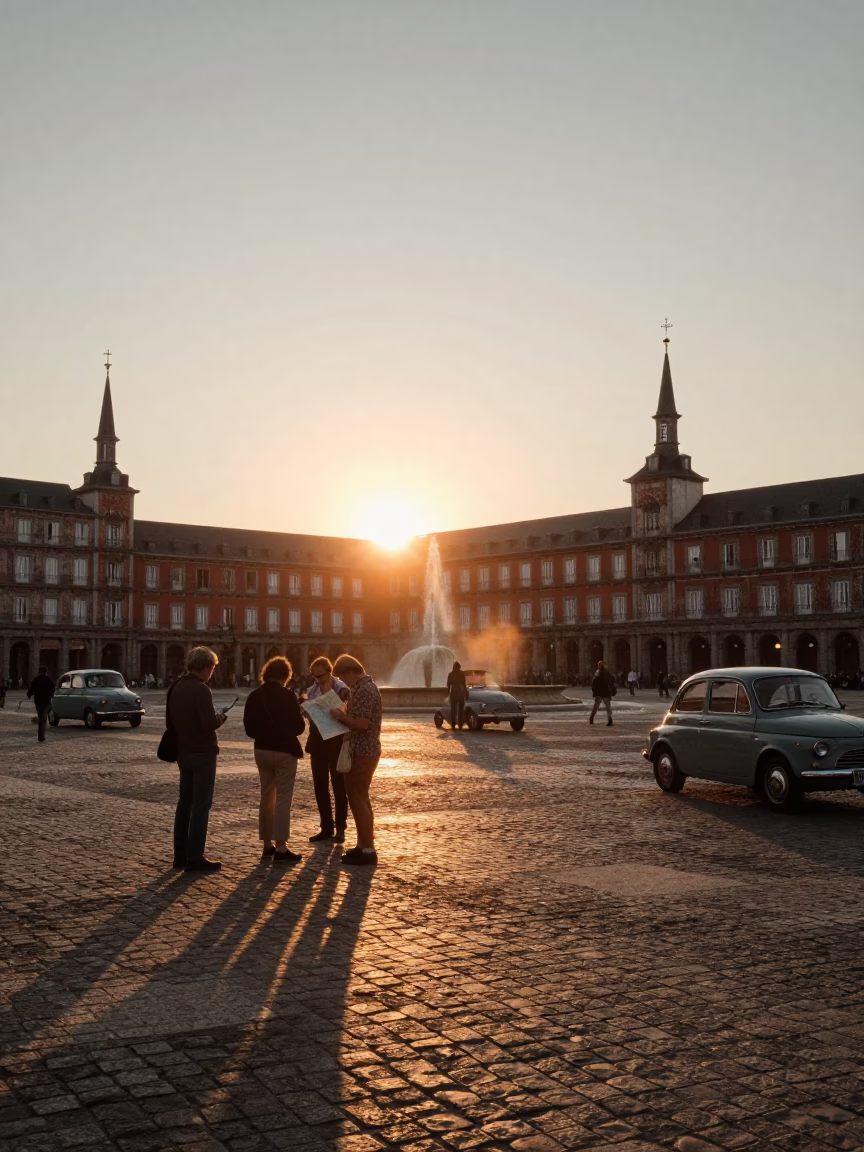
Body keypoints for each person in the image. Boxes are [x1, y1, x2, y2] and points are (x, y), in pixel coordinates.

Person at [169, 646, 227, 872]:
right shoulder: (201, 690)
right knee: (201, 805)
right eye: (212, 667)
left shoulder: (176, 687)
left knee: (184, 803)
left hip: (183, 751)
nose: (212, 671)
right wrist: (219, 718)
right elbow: (207, 723)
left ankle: (180, 855)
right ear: (204, 667)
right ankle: (196, 856)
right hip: (203, 753)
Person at [243, 656, 306, 863]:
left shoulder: (254, 695)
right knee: (283, 799)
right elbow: (299, 727)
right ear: (285, 675)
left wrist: (264, 734)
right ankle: (281, 847)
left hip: (261, 750)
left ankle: (267, 845)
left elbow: (249, 729)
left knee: (266, 796)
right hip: (283, 751)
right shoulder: (287, 696)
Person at [329, 654, 382, 867]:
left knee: (358, 798)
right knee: (360, 798)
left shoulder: (365, 690)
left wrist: (341, 717)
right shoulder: (362, 689)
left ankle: (368, 850)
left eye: (343, 677)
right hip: (361, 749)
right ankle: (362, 845)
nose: (344, 682)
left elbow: (362, 723)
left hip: (363, 749)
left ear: (350, 672)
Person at [305, 656, 350, 844]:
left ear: (329, 672)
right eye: (315, 677)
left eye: (321, 676)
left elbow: (350, 714)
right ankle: (326, 827)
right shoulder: (312, 691)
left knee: (339, 786)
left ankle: (340, 828)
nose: (318, 680)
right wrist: (308, 713)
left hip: (337, 740)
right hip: (318, 740)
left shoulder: (343, 690)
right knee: (320, 785)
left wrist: (340, 713)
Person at [27, 665, 55, 742]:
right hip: (46, 701)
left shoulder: (36, 680)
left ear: (39, 671)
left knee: (40, 717)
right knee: (44, 717)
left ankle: (40, 735)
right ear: (46, 672)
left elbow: (31, 689)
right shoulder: (49, 680)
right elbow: (53, 689)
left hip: (38, 701)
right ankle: (42, 735)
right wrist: (50, 695)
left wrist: (29, 694)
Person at [588, 660, 615, 727]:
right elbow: (611, 681)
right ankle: (609, 719)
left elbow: (594, 683)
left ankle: (591, 718)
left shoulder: (598, 672)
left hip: (599, 691)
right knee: (608, 706)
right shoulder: (606, 673)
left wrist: (594, 691)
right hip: (605, 691)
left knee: (596, 706)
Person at [446, 660, 469, 731]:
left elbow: (448, 685)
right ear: (459, 667)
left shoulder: (450, 674)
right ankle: (460, 725)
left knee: (453, 710)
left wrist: (448, 694)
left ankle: (453, 725)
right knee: (461, 710)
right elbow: (464, 684)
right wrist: (466, 692)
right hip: (461, 693)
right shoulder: (462, 674)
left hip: (453, 693)